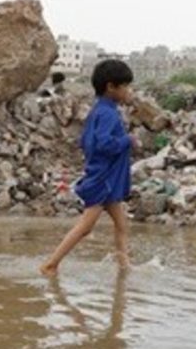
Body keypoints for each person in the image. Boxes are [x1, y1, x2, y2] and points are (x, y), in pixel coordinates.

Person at [41, 59, 137, 276]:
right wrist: (127, 141)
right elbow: (104, 143)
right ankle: (51, 264)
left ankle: (124, 269)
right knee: (86, 227)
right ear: (111, 87)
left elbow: (85, 141)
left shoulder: (98, 111)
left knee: (121, 225)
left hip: (106, 178)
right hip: (103, 179)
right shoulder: (109, 114)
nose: (128, 91)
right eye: (125, 87)